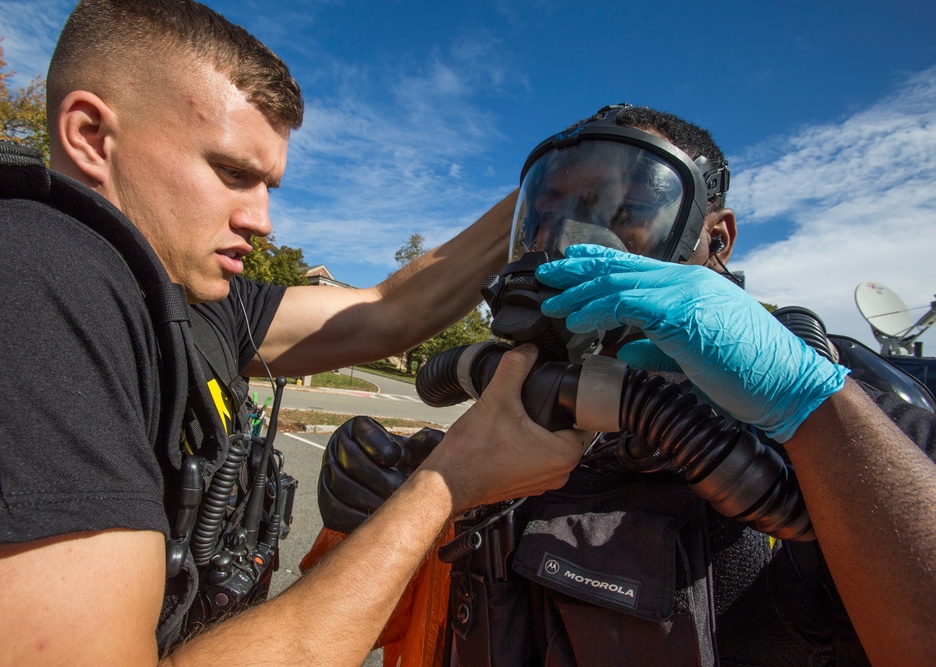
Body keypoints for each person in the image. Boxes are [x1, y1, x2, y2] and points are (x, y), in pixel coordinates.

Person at [0, 0, 592, 664]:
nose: (263, 219)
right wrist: (450, 480)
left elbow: (388, 310)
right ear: (89, 134)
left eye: (270, 185)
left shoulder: (185, 292)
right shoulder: (13, 287)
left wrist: (554, 183)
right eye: (232, 173)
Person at [317, 104, 936, 666]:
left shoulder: (859, 420)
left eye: (628, 212)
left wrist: (810, 408)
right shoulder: (525, 401)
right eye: (548, 213)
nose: (564, 240)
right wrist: (397, 520)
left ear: (713, 240)